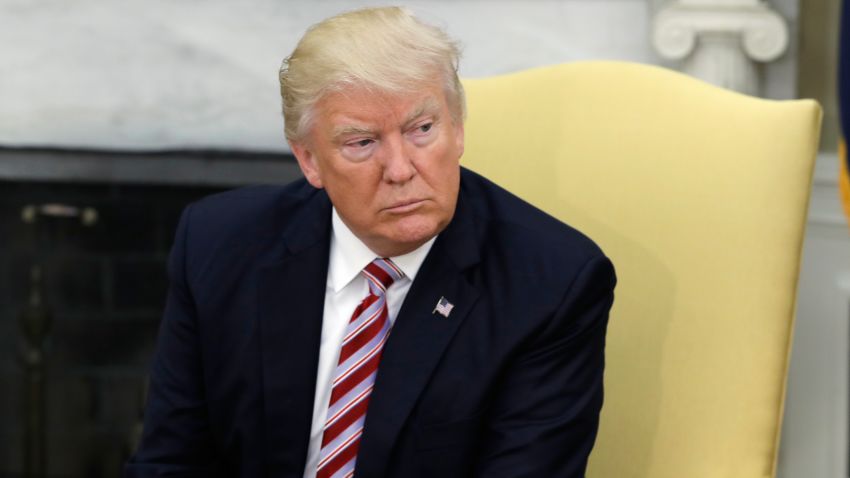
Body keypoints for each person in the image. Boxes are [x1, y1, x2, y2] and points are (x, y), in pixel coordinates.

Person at [125, 6, 616, 478]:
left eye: (422, 129)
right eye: (362, 143)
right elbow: (171, 459)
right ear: (309, 160)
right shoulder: (220, 244)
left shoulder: (552, 284)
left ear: (458, 126)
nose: (401, 170)